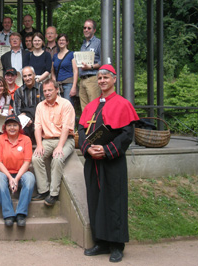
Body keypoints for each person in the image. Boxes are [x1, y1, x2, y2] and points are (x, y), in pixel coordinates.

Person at [78, 65, 139, 263]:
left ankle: (116, 245)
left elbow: (127, 134)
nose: (102, 81)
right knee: (95, 201)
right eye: (99, 78)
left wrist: (106, 150)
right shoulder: (91, 105)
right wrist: (87, 148)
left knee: (114, 202)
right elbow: (81, 130)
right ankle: (101, 242)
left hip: (113, 162)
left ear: (114, 79)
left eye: (105, 77)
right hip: (93, 162)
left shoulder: (122, 104)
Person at [31, 79, 75, 206]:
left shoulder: (65, 104)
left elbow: (66, 128)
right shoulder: (40, 106)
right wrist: (39, 144)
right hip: (48, 140)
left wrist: (60, 146)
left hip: (66, 139)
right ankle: (43, 190)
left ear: (57, 90)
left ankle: (53, 194)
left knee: (57, 158)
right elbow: (37, 127)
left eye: (50, 90)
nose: (47, 93)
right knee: (36, 158)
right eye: (44, 91)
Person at [0, 114, 35, 227]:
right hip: (4, 172)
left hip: (21, 172)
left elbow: (27, 161)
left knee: (30, 178)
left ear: (19, 127)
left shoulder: (26, 139)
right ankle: (8, 214)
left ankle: (21, 213)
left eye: (15, 125)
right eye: (9, 125)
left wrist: (16, 179)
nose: (12, 128)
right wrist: (10, 178)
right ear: (5, 128)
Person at [13, 66, 44, 143]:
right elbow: (17, 111)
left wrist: (33, 117)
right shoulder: (18, 92)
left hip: (41, 119)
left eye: (29, 75)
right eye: (25, 76)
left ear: (34, 75)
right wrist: (25, 119)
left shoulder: (42, 88)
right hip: (26, 123)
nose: (27, 78)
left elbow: (46, 107)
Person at [79, 19, 102, 110]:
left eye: (89, 28)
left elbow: (103, 61)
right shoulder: (83, 45)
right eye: (84, 28)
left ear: (94, 30)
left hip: (93, 78)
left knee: (94, 108)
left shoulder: (99, 43)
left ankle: (95, 125)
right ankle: (86, 125)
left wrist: (91, 67)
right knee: (85, 110)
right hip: (82, 80)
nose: (86, 30)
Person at [51, 33, 78, 105]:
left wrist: (74, 86)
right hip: (58, 85)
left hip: (68, 84)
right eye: (60, 40)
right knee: (58, 105)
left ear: (67, 42)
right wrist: (54, 83)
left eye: (63, 40)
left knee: (67, 105)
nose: (61, 42)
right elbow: (52, 72)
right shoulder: (55, 56)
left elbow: (75, 71)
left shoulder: (71, 54)